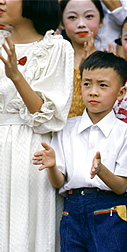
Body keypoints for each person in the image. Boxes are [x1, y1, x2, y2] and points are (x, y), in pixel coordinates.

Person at [32, 51, 127, 252]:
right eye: (87, 83)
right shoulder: (66, 128)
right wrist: (52, 166)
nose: (93, 91)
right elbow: (58, 182)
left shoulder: (124, 133)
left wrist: (101, 171)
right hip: (72, 209)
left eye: (103, 85)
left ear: (121, 93)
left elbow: (120, 187)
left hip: (110, 209)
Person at [0, 0, 74, 250]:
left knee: (26, 227)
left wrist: (16, 76)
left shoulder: (57, 47)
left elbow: (47, 116)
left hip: (31, 148)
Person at [60, 0, 104, 118]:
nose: (81, 24)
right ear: (61, 23)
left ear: (101, 21)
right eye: (72, 17)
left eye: (89, 16)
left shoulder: (109, 62)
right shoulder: (55, 59)